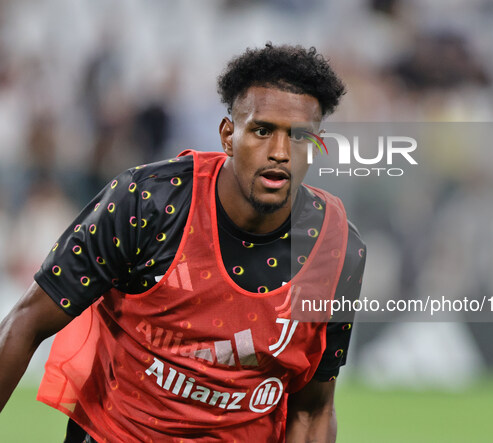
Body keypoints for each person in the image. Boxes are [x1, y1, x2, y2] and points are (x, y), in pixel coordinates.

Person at [0, 43, 366, 442]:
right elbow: (26, 322)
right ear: (228, 136)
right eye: (262, 131)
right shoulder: (148, 202)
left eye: (298, 137)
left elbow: (313, 408)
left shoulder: (338, 249)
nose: (279, 152)